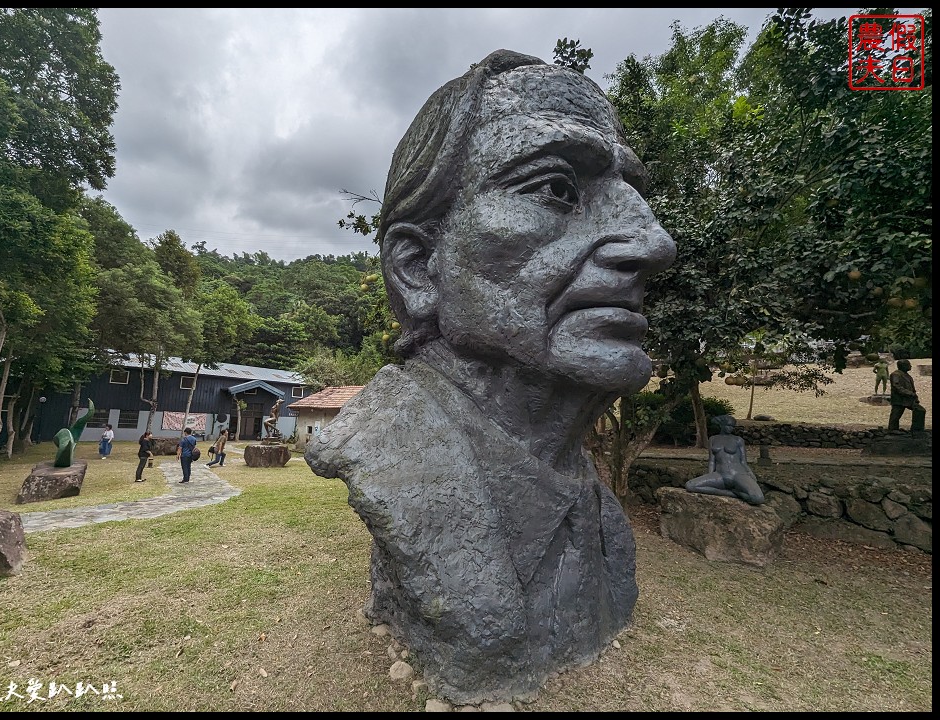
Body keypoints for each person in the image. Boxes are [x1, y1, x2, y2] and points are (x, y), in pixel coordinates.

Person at [306, 49, 675, 705]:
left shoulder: (579, 478)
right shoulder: (392, 454)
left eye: (634, 199)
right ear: (420, 268)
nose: (653, 243)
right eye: (556, 188)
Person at [684, 415, 765, 505]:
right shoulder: (713, 439)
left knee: (758, 498)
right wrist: (710, 475)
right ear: (721, 425)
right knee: (690, 485)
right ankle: (732, 494)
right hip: (720, 475)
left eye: (732, 427)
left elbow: (743, 461)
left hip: (738, 474)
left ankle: (737, 492)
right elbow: (712, 461)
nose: (730, 428)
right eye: (728, 425)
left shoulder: (738, 440)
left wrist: (750, 474)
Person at [888, 358, 926, 431]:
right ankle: (892, 431)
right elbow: (896, 386)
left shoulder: (907, 375)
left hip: (908, 399)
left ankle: (917, 429)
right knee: (895, 416)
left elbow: (912, 388)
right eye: (908, 365)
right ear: (903, 366)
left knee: (920, 410)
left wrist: (915, 398)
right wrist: (909, 393)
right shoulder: (896, 374)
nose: (911, 366)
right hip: (899, 399)